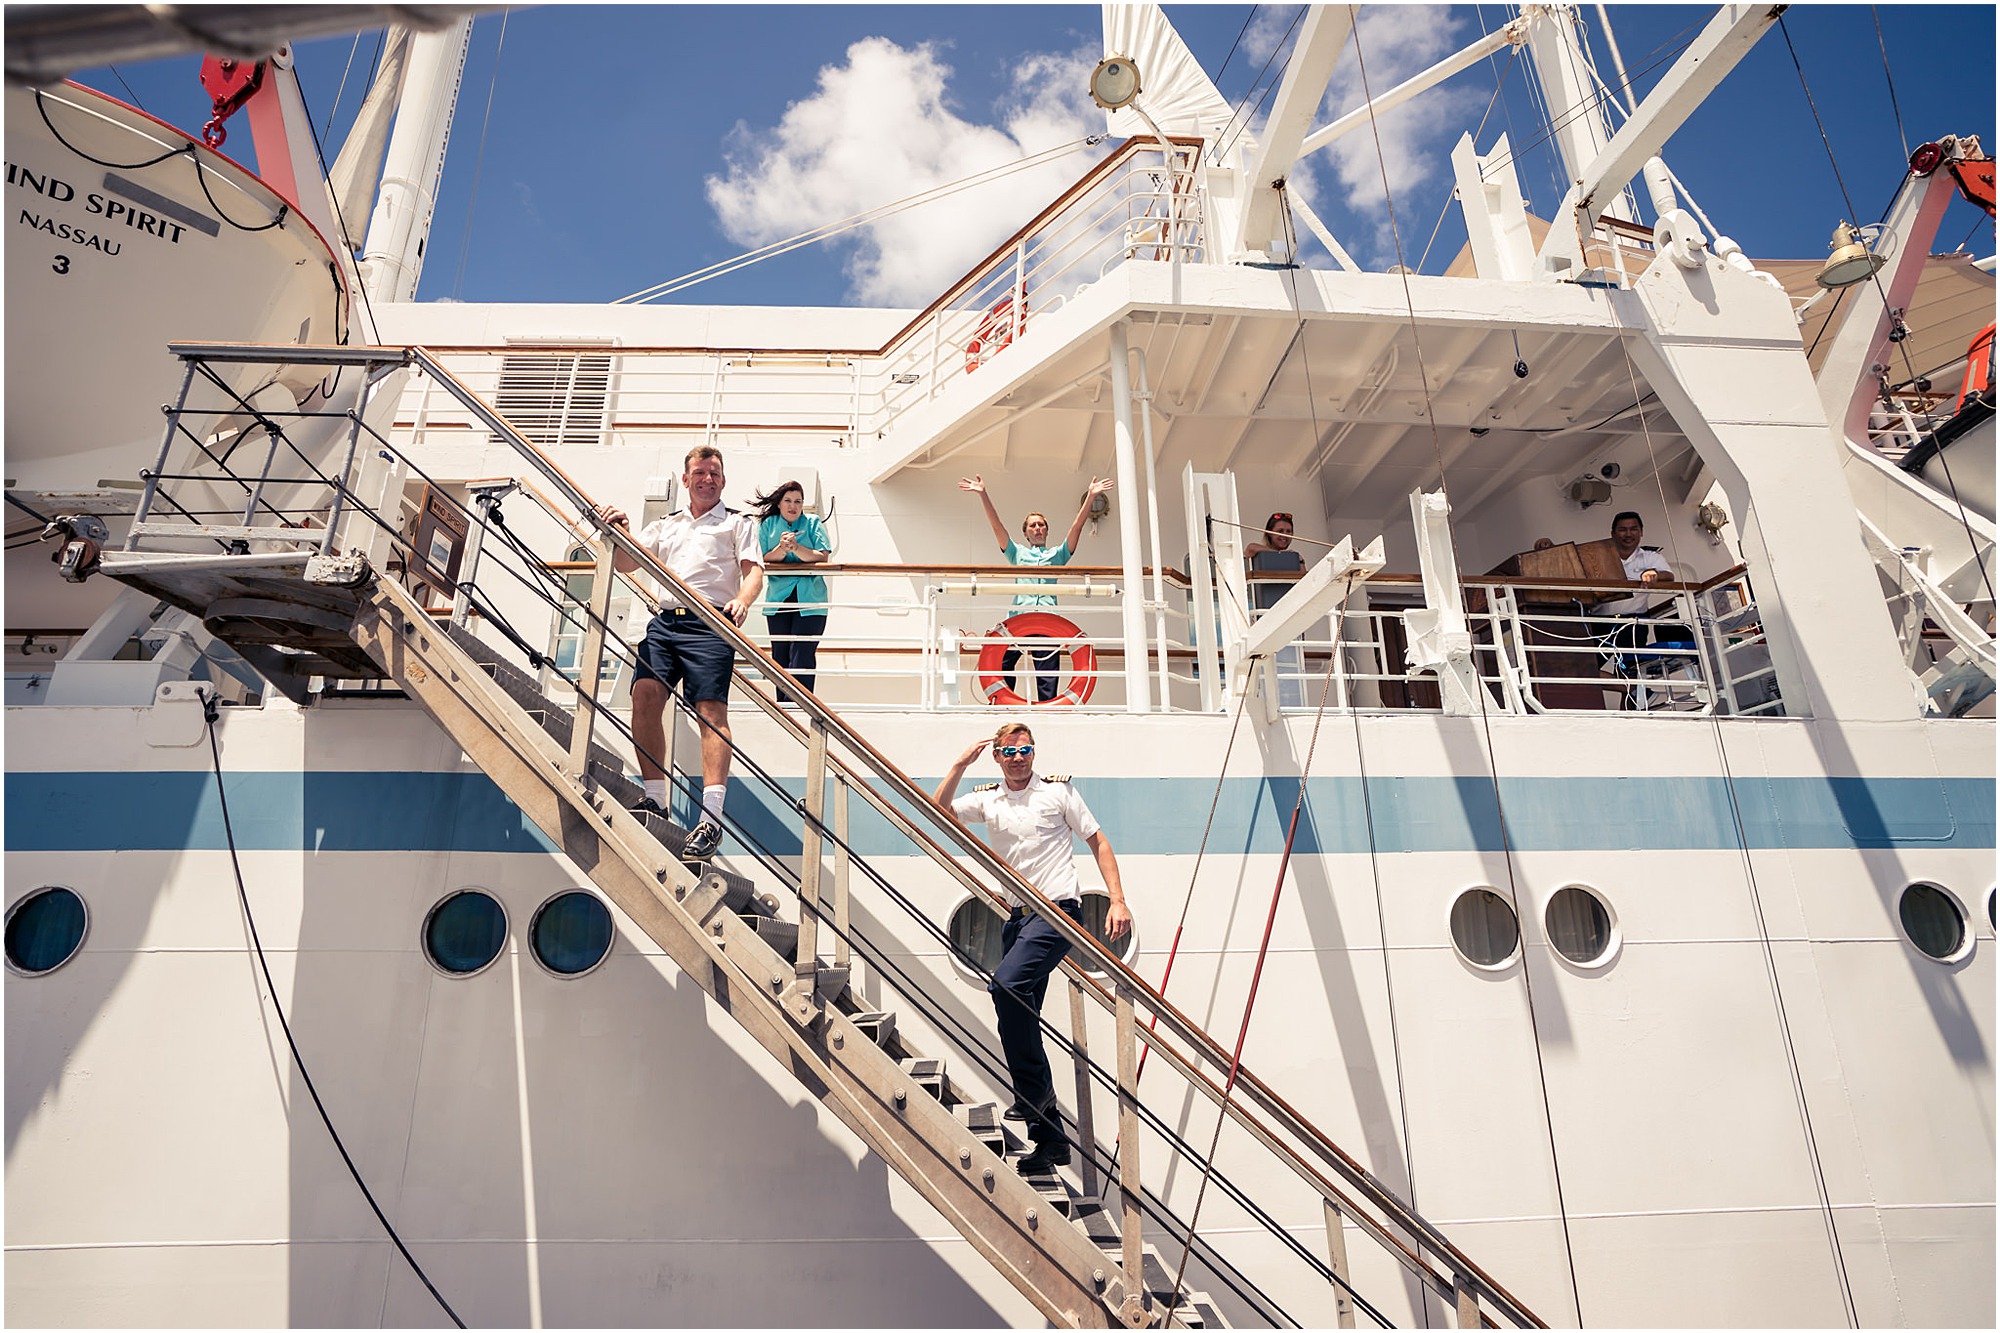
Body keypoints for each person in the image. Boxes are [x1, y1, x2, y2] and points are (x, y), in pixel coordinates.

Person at [936, 721, 1131, 1175]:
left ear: (1033, 753)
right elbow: (939, 808)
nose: (1019, 757)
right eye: (1010, 751)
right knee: (1016, 1020)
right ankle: (1050, 1140)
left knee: (1005, 988)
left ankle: (1033, 1099)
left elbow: (1097, 841)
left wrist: (1117, 899)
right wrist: (959, 764)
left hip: (1058, 913)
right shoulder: (988, 798)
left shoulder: (1058, 794)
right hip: (1019, 919)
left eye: (1025, 749)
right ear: (997, 757)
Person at [594, 446, 763, 862]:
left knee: (710, 714)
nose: (708, 479)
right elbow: (626, 563)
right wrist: (619, 529)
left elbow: (754, 572)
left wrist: (741, 600)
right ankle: (656, 798)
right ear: (686, 480)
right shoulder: (666, 526)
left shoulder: (737, 524)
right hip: (666, 621)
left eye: (715, 473)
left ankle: (710, 819)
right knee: (644, 696)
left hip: (710, 624)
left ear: (723, 481)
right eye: (700, 473)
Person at [959, 474, 1113, 702]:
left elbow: (1076, 528)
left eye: (1041, 525)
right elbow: (997, 526)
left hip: (1047, 621)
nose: (1038, 528)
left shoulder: (1057, 555)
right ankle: (1004, 707)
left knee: (1047, 676)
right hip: (1018, 620)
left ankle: (1047, 712)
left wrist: (1090, 497)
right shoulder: (1017, 553)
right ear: (1026, 532)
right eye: (1033, 525)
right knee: (1001, 664)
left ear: (1047, 530)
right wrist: (983, 494)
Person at [751, 480, 831, 700]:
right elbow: (762, 559)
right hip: (779, 599)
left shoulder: (812, 522)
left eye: (798, 501)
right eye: (788, 501)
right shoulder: (768, 524)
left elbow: (822, 556)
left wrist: (796, 548)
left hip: (811, 599)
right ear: (779, 503)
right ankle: (783, 706)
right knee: (781, 656)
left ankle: (802, 705)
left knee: (802, 654)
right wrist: (781, 548)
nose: (793, 506)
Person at [1245, 512, 1307, 706]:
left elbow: (1305, 582)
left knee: (1289, 664)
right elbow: (1250, 549)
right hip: (1264, 617)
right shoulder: (1260, 551)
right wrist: (1281, 556)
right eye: (1279, 531)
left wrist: (1299, 561)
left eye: (1289, 531)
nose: (1284, 535)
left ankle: (1289, 703)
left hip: (1289, 617)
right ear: (1269, 533)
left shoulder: (1296, 558)